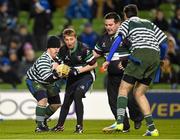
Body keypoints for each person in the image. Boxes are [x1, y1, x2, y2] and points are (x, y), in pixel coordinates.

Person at [102, 4, 167, 136]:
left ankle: (120, 121)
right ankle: (152, 128)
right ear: (137, 13)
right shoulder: (149, 23)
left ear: (125, 15)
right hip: (155, 56)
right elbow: (164, 43)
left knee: (123, 89)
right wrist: (161, 58)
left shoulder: (127, 23)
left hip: (140, 54)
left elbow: (117, 40)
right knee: (139, 93)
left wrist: (108, 59)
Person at [93, 12, 143, 133]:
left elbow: (137, 52)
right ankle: (124, 126)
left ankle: (137, 118)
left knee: (130, 98)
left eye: (110, 24)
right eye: (106, 25)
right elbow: (94, 54)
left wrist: (126, 61)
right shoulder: (103, 39)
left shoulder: (126, 37)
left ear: (118, 24)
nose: (108, 27)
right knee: (113, 101)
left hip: (127, 74)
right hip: (112, 75)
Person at [51, 28, 97, 133]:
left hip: (86, 76)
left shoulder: (84, 49)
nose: (69, 42)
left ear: (75, 38)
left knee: (77, 95)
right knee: (66, 101)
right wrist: (56, 70)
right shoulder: (63, 50)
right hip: (72, 77)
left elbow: (94, 64)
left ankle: (79, 126)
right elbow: (57, 63)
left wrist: (78, 71)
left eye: (71, 39)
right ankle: (59, 126)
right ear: (64, 40)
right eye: (66, 40)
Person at [26, 35, 62, 132]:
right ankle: (40, 126)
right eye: (54, 47)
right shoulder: (43, 60)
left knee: (56, 104)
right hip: (34, 81)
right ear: (48, 48)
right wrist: (58, 72)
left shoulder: (58, 58)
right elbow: (47, 78)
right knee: (43, 99)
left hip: (47, 82)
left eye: (58, 47)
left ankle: (41, 119)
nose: (57, 50)